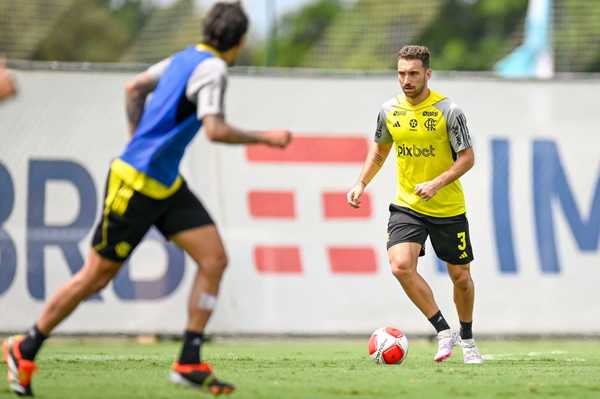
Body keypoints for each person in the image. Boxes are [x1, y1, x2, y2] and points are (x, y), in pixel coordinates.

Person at [2, 2, 291, 396]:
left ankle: (189, 358)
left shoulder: (184, 57)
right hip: (134, 185)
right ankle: (26, 345)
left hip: (166, 186)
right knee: (96, 275)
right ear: (238, 42)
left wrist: (137, 135)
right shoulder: (215, 69)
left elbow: (134, 86)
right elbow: (215, 130)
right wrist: (266, 138)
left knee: (214, 258)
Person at [347, 45, 483, 364]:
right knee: (400, 266)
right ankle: (442, 330)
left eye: (413, 73)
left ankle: (467, 338)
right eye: (401, 73)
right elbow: (380, 152)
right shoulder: (389, 111)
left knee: (461, 277)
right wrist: (360, 182)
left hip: (447, 207)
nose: (406, 80)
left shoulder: (449, 111)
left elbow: (468, 159)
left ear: (428, 74)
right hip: (407, 205)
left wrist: (436, 183)